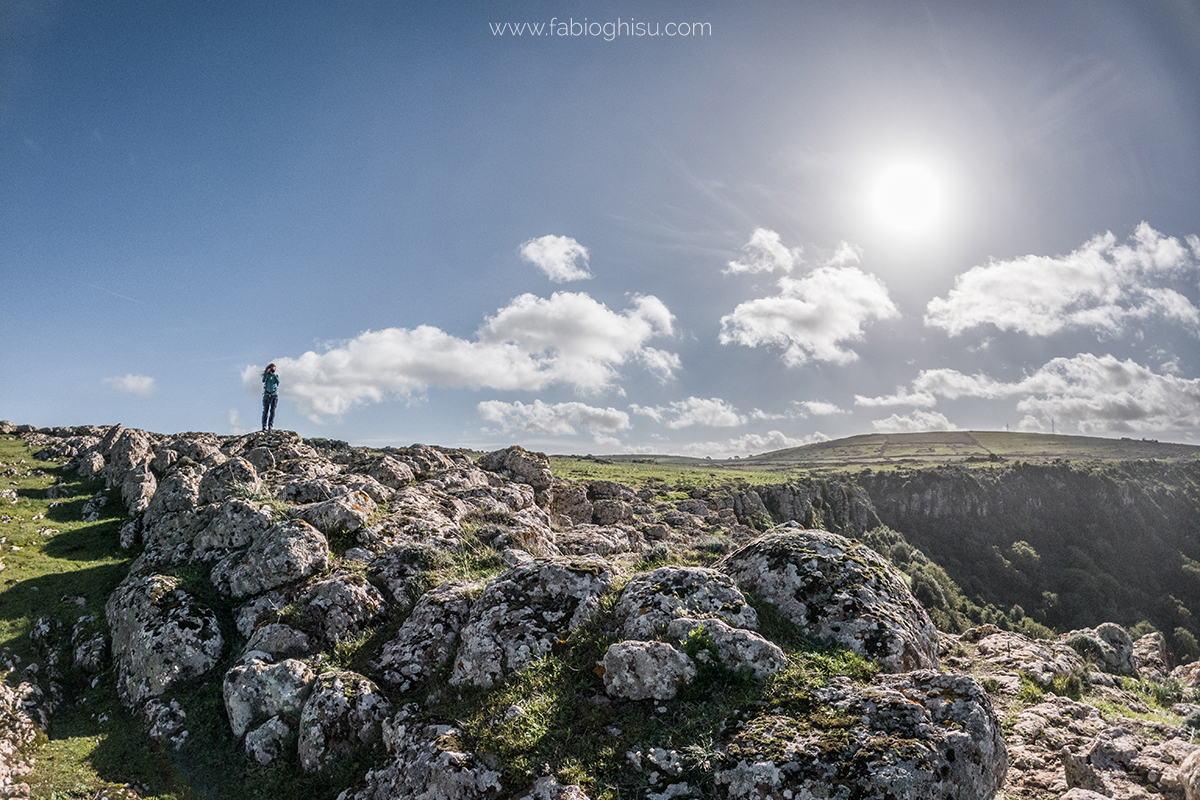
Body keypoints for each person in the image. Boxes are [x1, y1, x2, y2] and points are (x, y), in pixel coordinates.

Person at [261, 363, 279, 431]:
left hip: (274, 394)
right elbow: (263, 380)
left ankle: (270, 426)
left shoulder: (276, 376)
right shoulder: (266, 376)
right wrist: (267, 373)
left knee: (273, 411)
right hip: (266, 394)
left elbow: (278, 381)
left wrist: (273, 374)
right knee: (265, 410)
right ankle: (264, 426)